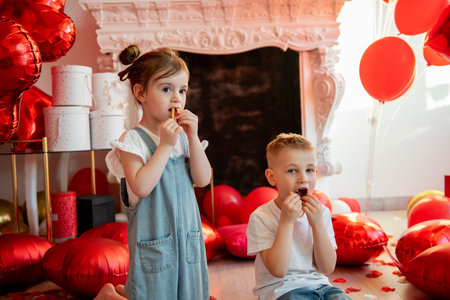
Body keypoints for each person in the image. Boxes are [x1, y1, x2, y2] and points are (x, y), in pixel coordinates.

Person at [105, 45, 211, 299]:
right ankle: (109, 295)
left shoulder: (184, 138)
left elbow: (203, 179)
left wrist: (193, 137)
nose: (177, 98)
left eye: (182, 90)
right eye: (166, 89)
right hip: (155, 246)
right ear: (140, 92)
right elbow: (141, 187)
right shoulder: (133, 141)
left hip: (187, 243)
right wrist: (164, 146)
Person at [246, 133, 350, 300]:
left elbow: (327, 267)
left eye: (309, 170)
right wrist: (286, 221)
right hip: (282, 291)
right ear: (272, 177)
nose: (303, 179)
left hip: (322, 287)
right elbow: (278, 270)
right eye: (292, 170)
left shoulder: (321, 213)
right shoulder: (261, 217)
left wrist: (317, 224)